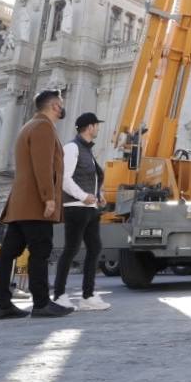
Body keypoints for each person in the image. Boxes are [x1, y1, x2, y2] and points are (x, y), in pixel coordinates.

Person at [0, 89, 70, 320]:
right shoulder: (44, 127)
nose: (61, 108)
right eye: (61, 104)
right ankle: (42, 303)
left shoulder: (29, 126)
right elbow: (43, 166)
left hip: (20, 203)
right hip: (36, 203)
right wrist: (49, 198)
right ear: (55, 106)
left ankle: (3, 304)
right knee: (40, 252)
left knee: (8, 253)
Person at [52, 112, 109, 312]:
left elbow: (92, 179)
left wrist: (99, 194)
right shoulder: (72, 147)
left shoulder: (88, 151)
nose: (98, 129)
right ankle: (59, 295)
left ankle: (88, 295)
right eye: (96, 125)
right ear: (90, 127)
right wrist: (83, 196)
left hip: (90, 208)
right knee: (71, 249)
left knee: (95, 248)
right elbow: (65, 179)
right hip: (75, 208)